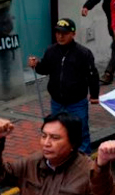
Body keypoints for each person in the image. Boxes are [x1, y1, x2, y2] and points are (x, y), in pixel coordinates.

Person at [29, 18, 100, 153]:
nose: (60, 36)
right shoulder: (51, 51)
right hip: (57, 102)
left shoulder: (83, 53)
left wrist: (94, 95)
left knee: (81, 132)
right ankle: (63, 158)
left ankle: (84, 163)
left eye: (64, 33)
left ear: (73, 34)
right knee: (58, 132)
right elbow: (45, 69)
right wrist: (36, 65)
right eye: (58, 33)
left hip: (77, 103)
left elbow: (92, 75)